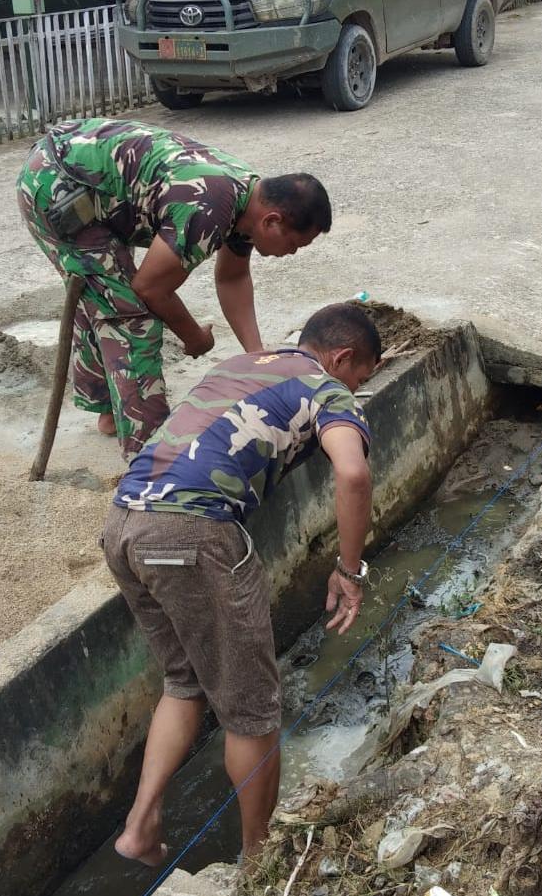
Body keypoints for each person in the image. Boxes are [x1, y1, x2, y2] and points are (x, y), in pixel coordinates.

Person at [101, 302, 380, 864]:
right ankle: (258, 861)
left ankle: (141, 825)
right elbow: (353, 472)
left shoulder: (245, 363)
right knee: (253, 711)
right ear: (344, 356)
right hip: (195, 534)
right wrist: (350, 571)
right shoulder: (325, 387)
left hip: (124, 523)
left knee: (184, 681)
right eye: (361, 378)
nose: (356, 389)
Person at [17, 119, 332, 457]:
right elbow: (150, 288)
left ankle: (110, 414)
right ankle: (150, 455)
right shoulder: (210, 207)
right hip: (58, 184)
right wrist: (193, 335)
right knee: (131, 318)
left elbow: (232, 278)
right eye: (296, 244)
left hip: (90, 183)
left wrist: (257, 357)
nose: (292, 254)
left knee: (105, 294)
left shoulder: (249, 201)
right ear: (272, 221)